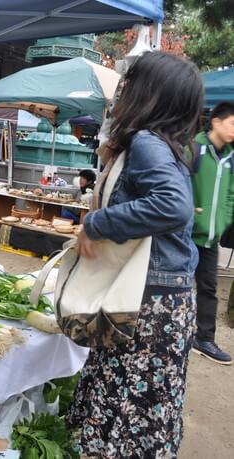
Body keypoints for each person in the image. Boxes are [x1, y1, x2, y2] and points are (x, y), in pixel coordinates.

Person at [67, 52, 204, 458]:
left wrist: (96, 223)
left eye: (129, 84)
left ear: (147, 94)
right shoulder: (169, 145)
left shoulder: (147, 143)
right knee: (140, 412)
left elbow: (172, 206)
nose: (121, 91)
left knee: (126, 410)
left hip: (150, 304)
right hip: (167, 299)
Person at [189, 102, 234, 365]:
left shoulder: (231, 157)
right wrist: (191, 214)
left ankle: (204, 338)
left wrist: (221, 222)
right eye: (232, 124)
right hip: (187, 235)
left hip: (211, 238)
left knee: (209, 288)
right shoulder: (193, 148)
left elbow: (231, 195)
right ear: (216, 122)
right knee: (178, 286)